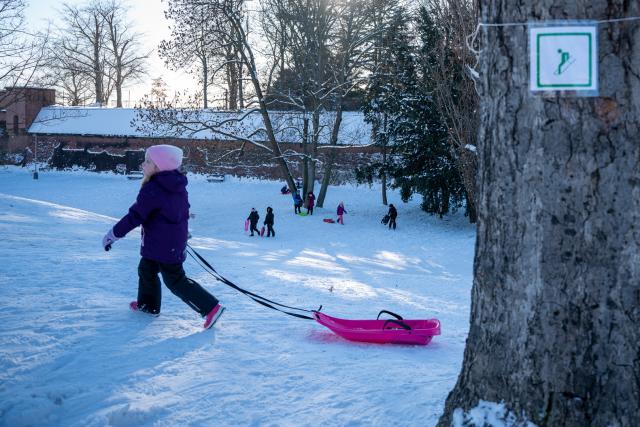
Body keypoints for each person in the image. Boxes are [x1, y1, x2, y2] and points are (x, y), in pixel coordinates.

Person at [102, 144, 224, 330]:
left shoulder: (154, 189)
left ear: (159, 166)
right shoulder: (177, 185)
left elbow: (135, 216)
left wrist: (113, 234)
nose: (143, 164)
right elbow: (180, 213)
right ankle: (148, 306)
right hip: (163, 244)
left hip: (163, 246)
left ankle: (210, 308)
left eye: (148, 161)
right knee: (146, 270)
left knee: (175, 280)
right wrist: (182, 235)